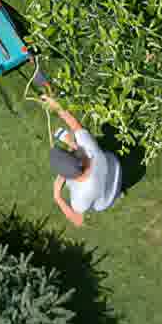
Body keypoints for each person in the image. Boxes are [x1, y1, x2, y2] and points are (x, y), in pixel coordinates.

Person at [42, 94, 121, 227]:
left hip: (107, 197)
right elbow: (74, 124)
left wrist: (58, 197)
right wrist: (56, 106)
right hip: (113, 166)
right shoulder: (92, 152)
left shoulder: (80, 200)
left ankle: (71, 143)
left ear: (68, 177)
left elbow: (78, 221)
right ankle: (71, 142)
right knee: (81, 140)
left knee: (99, 201)